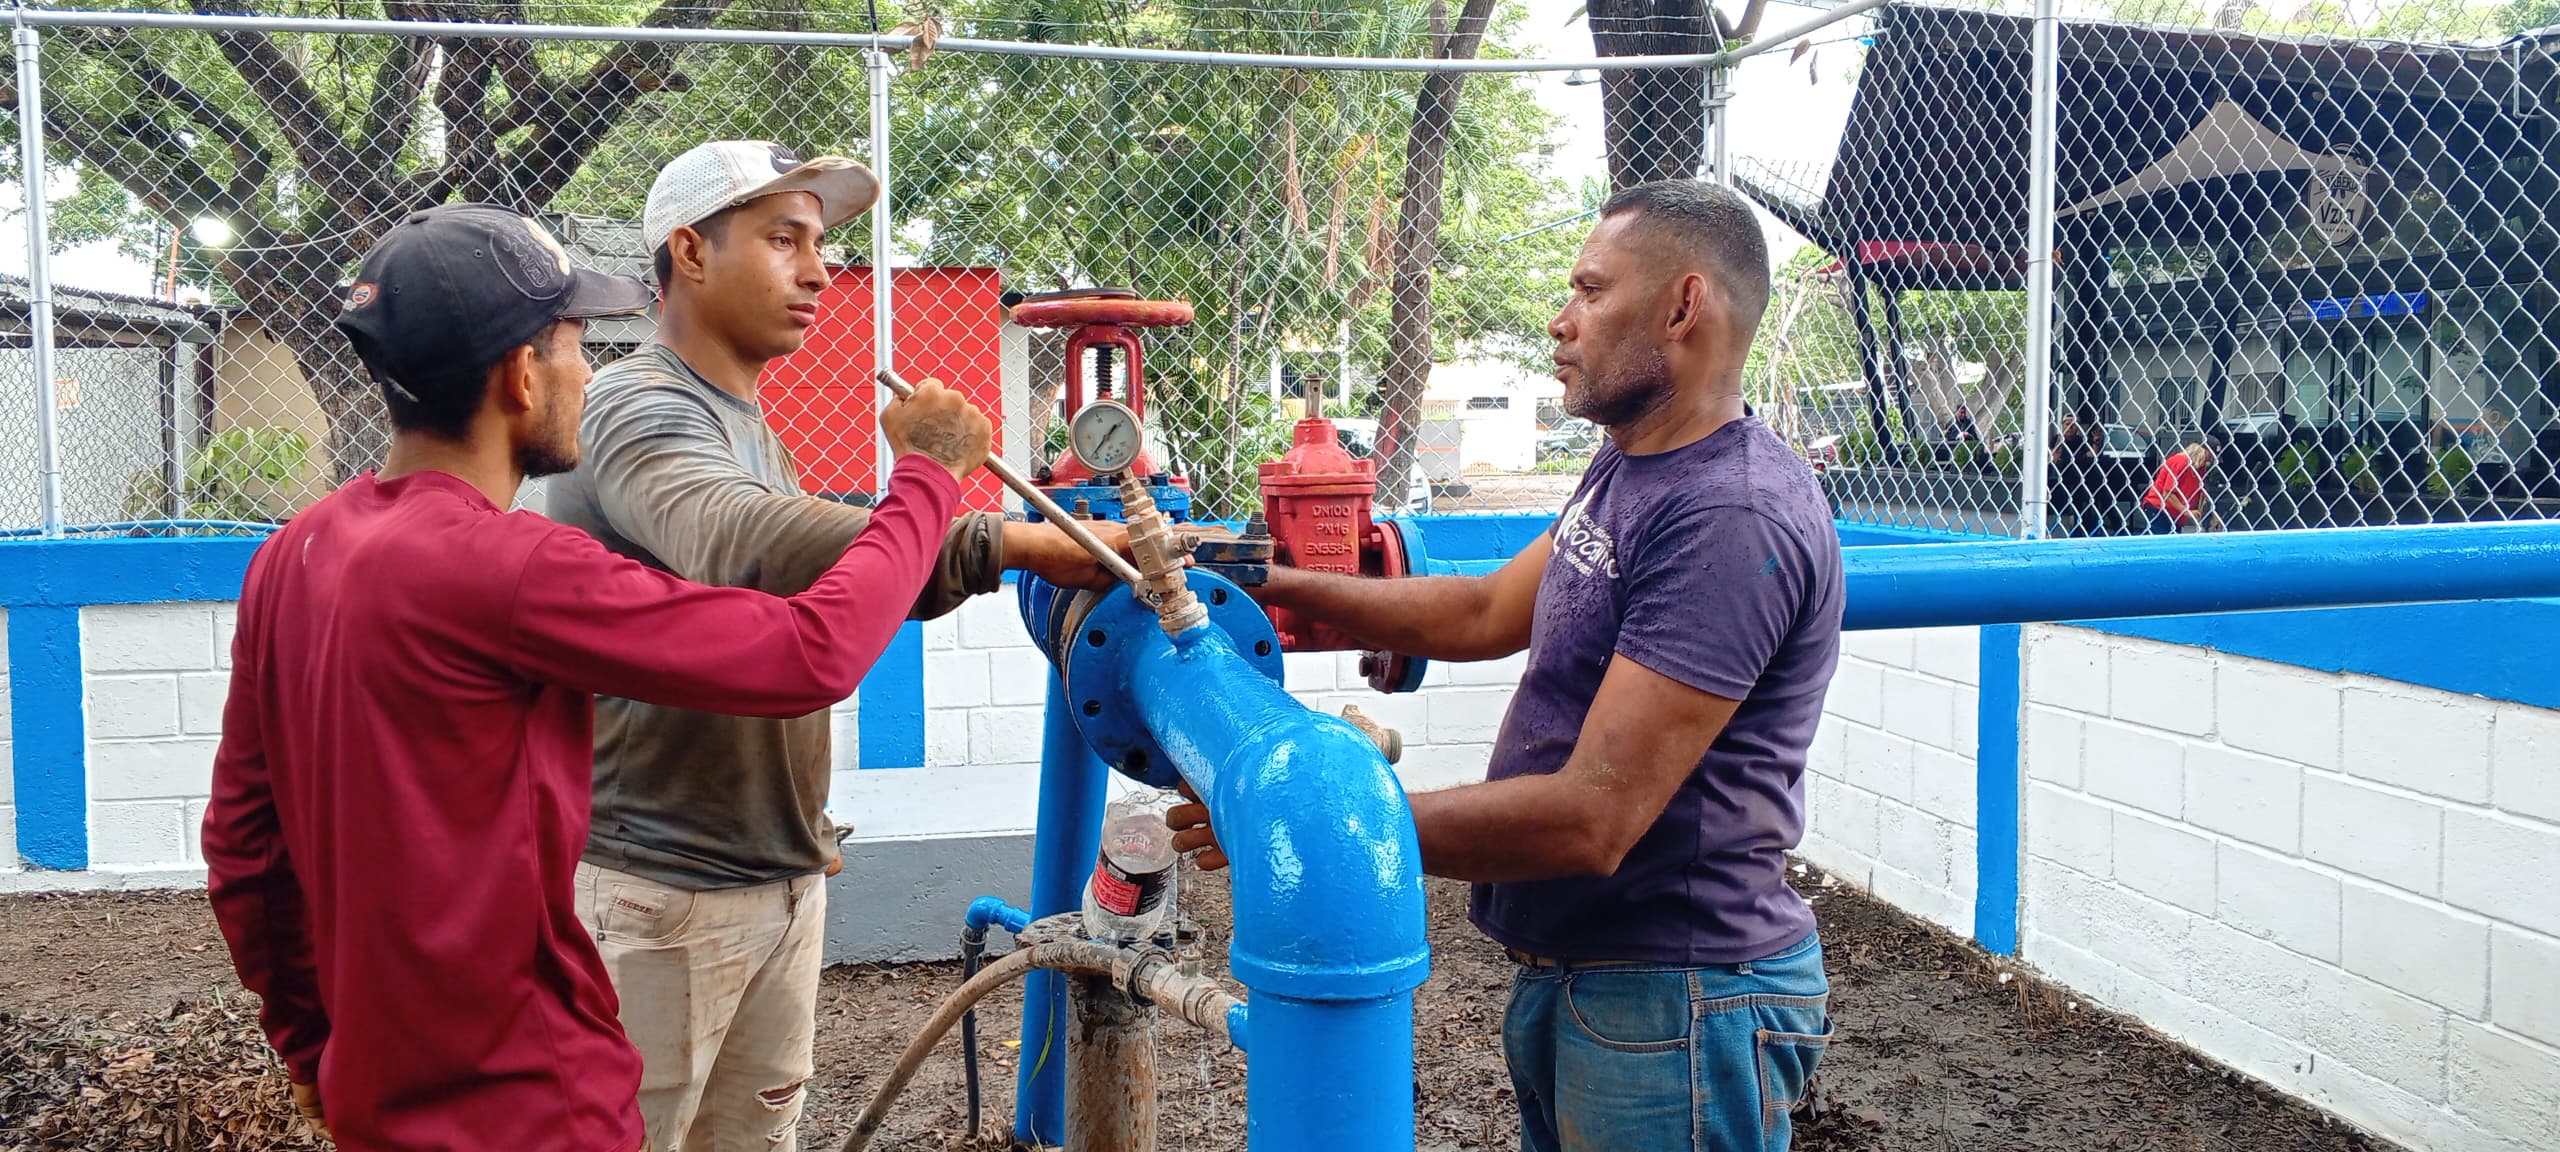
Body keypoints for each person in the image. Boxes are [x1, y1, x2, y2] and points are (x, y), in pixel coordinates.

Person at [201, 203, 996, 1151]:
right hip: (534, 1098)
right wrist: (925, 480)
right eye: (580, 344)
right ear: (519, 373)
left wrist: (310, 1046)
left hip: (383, 1087)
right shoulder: (511, 567)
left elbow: (245, 851)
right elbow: (808, 654)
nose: (592, 372)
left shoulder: (296, 552)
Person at [1171, 179, 1843, 1151]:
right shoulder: (1634, 464)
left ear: (1683, 306)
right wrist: (1275, 577)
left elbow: (1592, 816)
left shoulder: (1727, 517)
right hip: (1602, 982)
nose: (1559, 322)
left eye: (1589, 291)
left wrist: (1314, 823)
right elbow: (1484, 609)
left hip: (1680, 997)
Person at [532, 140, 1130, 1151]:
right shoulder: (640, 405)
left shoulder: (742, 421)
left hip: (766, 875)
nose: (818, 270)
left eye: (820, 243)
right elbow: (738, 541)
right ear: (689, 251)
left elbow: (843, 569)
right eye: (783, 239)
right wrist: (1008, 540)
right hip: (658, 893)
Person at [2142, 442, 2211, 534]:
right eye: (2208, 458)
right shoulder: (2180, 461)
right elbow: (2168, 493)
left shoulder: (2200, 470)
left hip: (2176, 515)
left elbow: (2202, 493)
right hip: (2159, 509)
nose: (2209, 461)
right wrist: (2186, 511)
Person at [2049, 414, 2100, 537]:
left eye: (2073, 425)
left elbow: (2090, 454)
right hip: (2061, 477)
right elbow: (2053, 459)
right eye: (2067, 425)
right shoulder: (2057, 438)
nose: (2071, 428)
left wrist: (2096, 442)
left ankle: (2081, 527)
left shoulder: (2080, 440)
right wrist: (2059, 444)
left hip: (2078, 477)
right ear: (2062, 425)